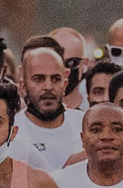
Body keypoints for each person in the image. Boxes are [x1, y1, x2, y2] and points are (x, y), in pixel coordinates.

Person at [11, 37, 83, 171]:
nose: (48, 87)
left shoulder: (85, 124)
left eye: (56, 79)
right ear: (22, 84)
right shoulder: (10, 131)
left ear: (65, 83)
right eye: (39, 79)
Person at [50, 27, 88, 111]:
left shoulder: (94, 109)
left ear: (84, 64)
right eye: (57, 63)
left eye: (71, 63)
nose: (64, 70)